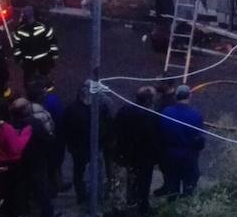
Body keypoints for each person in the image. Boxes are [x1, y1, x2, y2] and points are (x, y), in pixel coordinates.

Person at [65, 81, 112, 206]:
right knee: (84, 172)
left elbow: (107, 124)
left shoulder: (97, 107)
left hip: (89, 146)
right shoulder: (96, 107)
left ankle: (93, 196)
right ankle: (85, 196)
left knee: (88, 172)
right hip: (82, 147)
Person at [115, 86, 161, 215]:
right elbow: (155, 138)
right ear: (148, 101)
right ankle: (142, 207)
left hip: (128, 154)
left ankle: (131, 202)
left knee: (131, 179)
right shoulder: (151, 116)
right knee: (144, 183)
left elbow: (116, 129)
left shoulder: (124, 110)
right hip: (144, 157)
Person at [0, 98, 31, 216]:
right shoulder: (5, 128)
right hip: (11, 167)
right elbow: (16, 148)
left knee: (1, 196)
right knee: (15, 197)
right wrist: (26, 132)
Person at [10, 98, 54, 217]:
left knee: (22, 190)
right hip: (36, 162)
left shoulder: (11, 125)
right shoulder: (34, 123)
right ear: (24, 109)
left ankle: (24, 211)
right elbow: (46, 140)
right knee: (42, 191)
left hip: (19, 163)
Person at [158, 85, 204, 197]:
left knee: (172, 188)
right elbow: (199, 140)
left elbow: (161, 134)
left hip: (169, 155)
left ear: (175, 97)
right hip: (188, 156)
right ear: (190, 96)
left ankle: (171, 209)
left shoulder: (166, 112)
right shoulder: (196, 115)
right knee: (189, 187)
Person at [11, 7, 59, 85]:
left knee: (32, 79)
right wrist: (54, 55)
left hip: (32, 60)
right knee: (39, 78)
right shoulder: (44, 26)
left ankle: (39, 90)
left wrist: (18, 59)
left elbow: (16, 47)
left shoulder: (20, 29)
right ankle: (43, 90)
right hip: (41, 59)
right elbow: (52, 41)